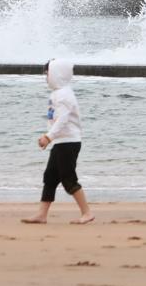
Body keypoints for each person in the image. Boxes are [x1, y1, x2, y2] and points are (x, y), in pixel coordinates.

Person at [22, 59, 94, 225]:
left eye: (47, 73)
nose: (46, 77)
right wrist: (51, 137)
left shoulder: (64, 95)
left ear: (56, 74)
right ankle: (42, 214)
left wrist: (48, 137)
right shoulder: (58, 93)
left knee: (68, 179)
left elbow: (63, 119)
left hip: (68, 142)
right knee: (50, 177)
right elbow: (56, 119)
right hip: (61, 142)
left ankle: (87, 213)